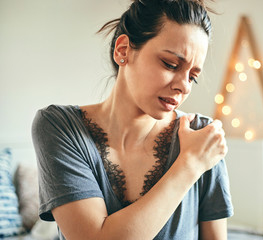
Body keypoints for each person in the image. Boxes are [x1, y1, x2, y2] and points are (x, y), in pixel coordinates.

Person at [32, 0, 233, 239]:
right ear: (123, 50)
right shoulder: (59, 127)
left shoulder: (203, 136)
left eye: (193, 76)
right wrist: (190, 165)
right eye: (170, 64)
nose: (183, 86)